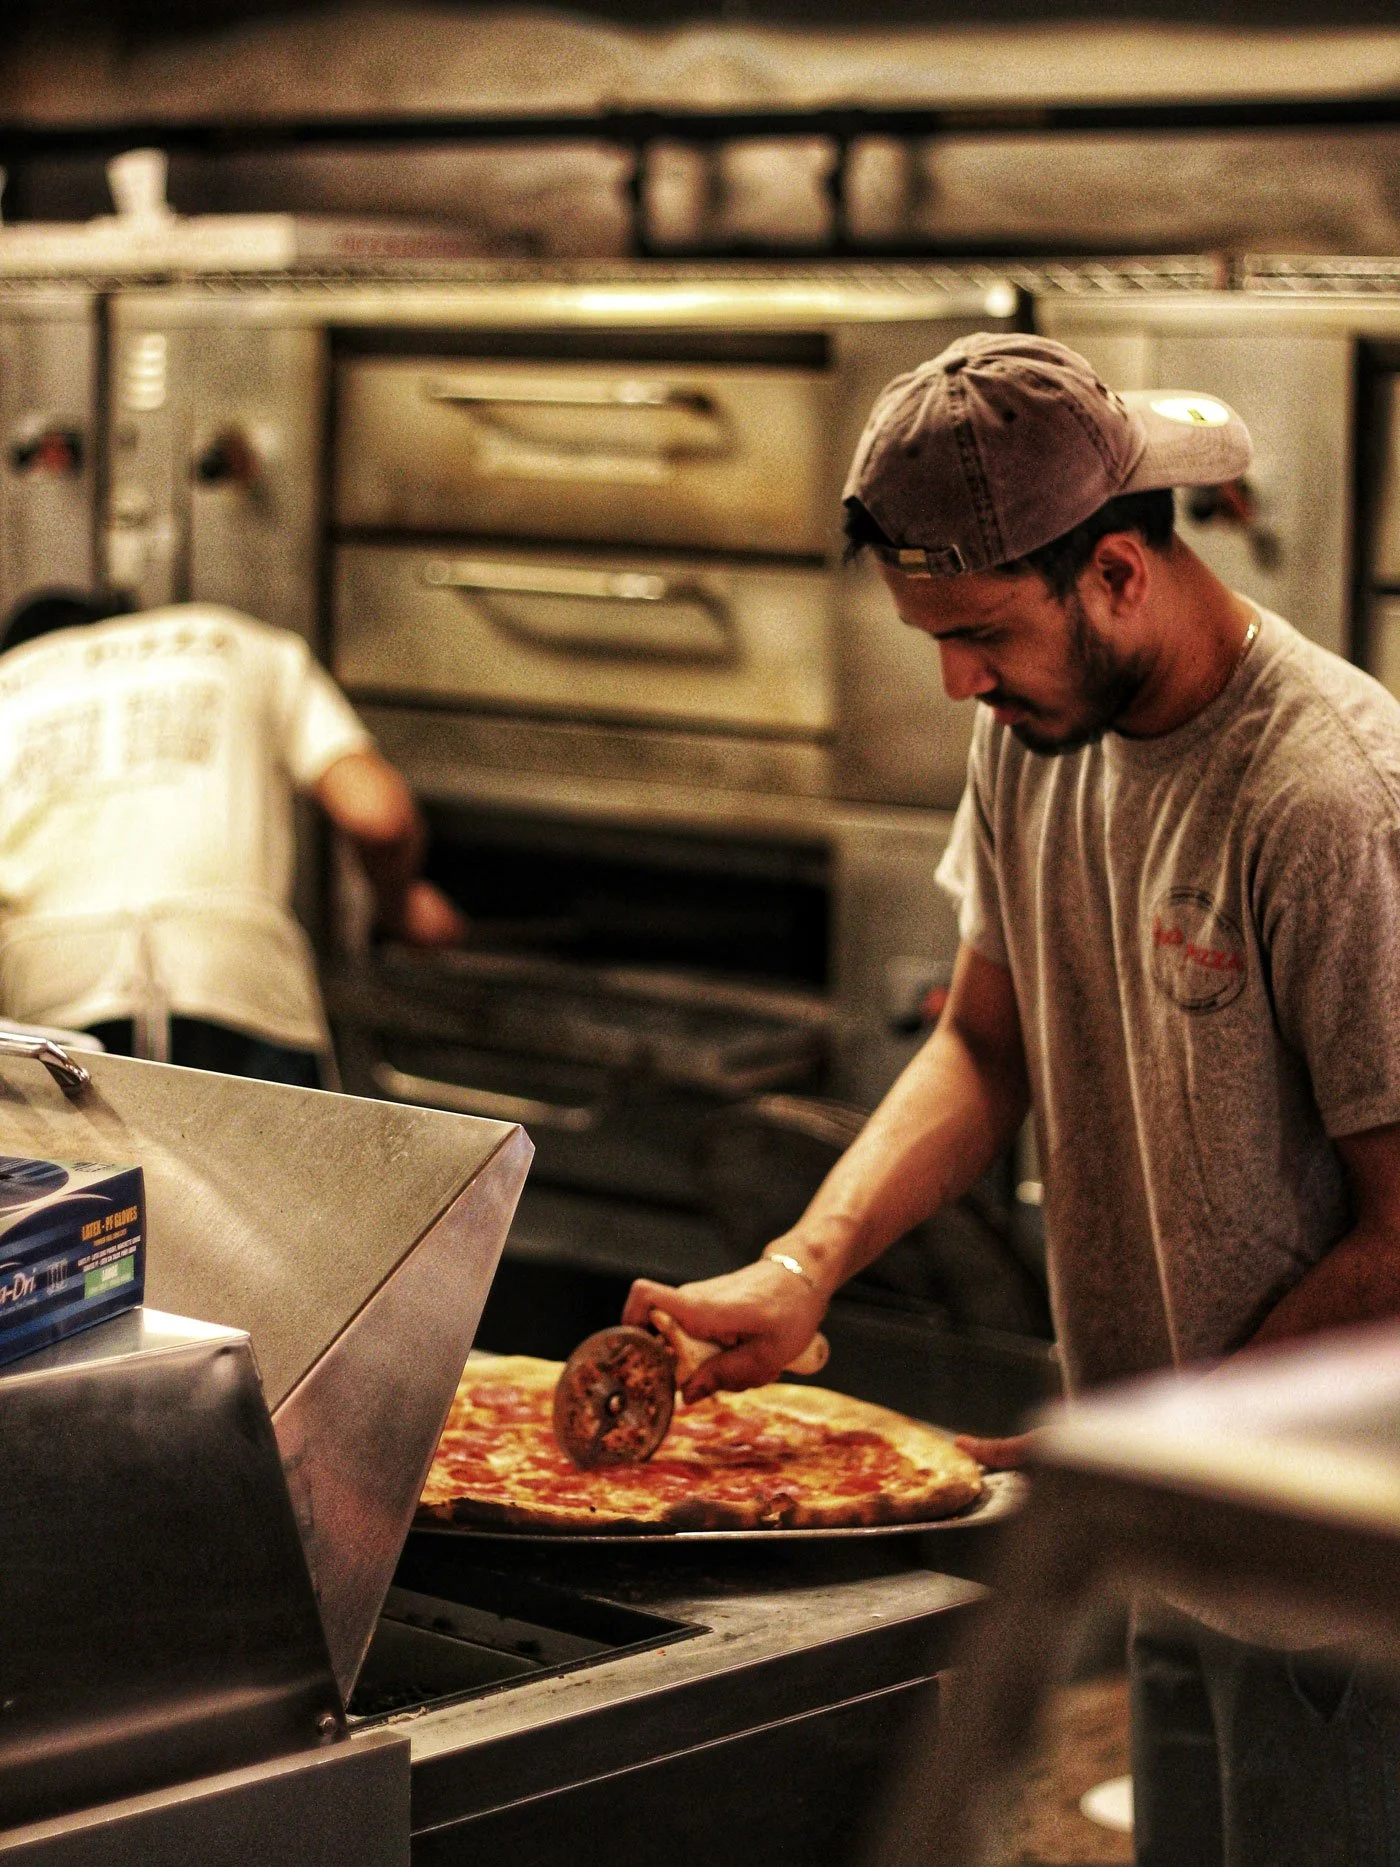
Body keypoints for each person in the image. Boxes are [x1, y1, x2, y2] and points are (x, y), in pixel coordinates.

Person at [623, 334, 1400, 1864]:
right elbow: (990, 1040)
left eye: (981, 629)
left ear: (1117, 569)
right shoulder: (1037, 734)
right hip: (1176, 1528)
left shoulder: (1330, 800)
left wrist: (1155, 1449)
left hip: (1336, 1552)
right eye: (931, 632)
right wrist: (804, 1264)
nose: (956, 678)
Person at [0, 589, 464, 1084]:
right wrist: (398, 906)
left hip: (52, 1013)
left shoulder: (7, 683)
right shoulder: (239, 644)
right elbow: (378, 815)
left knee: (86, 1166)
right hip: (241, 987)